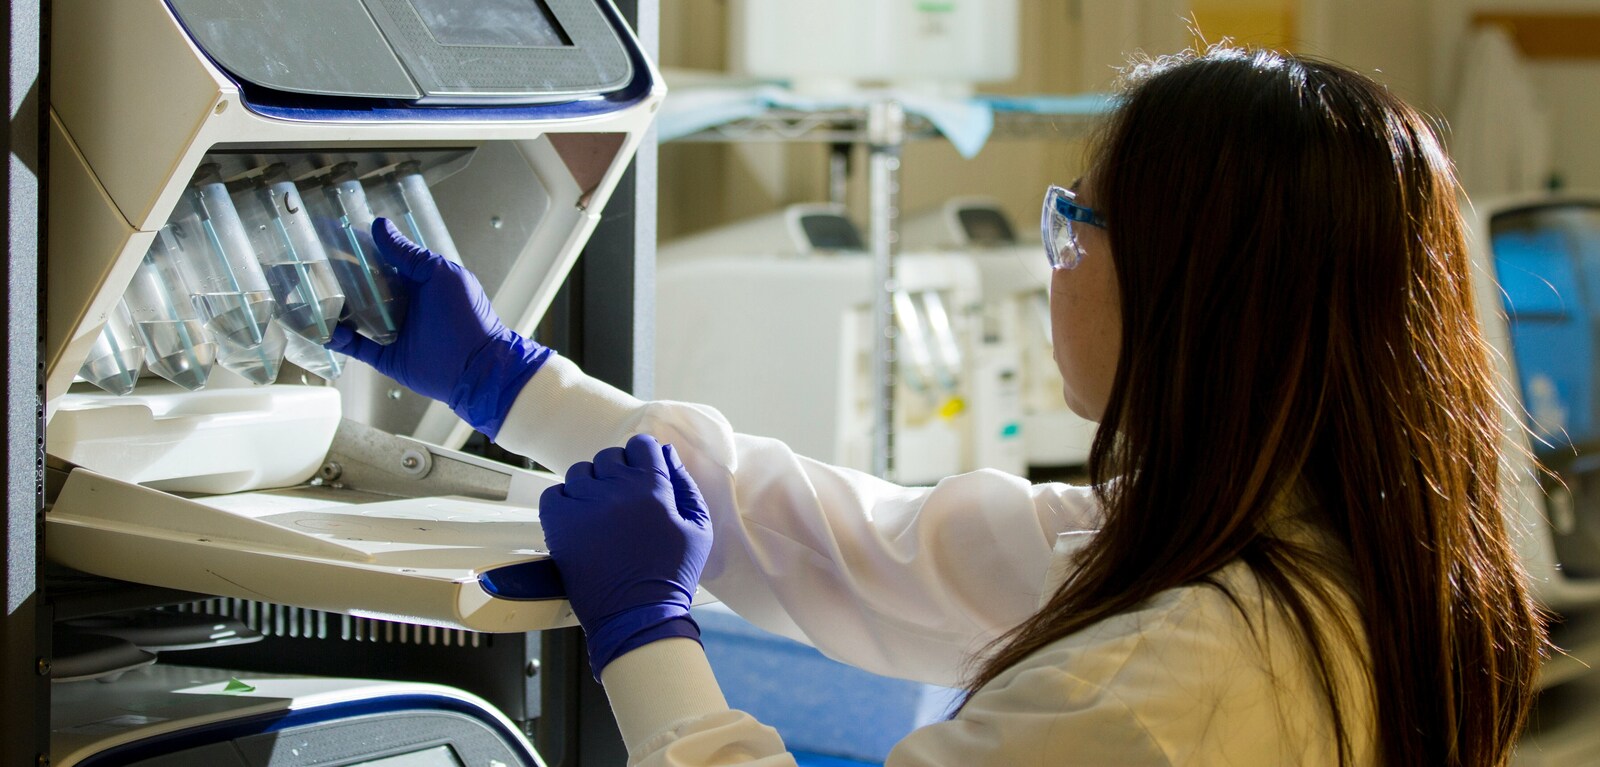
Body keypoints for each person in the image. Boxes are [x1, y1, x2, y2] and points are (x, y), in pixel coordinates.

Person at [330, 46, 1547, 766]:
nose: (1052, 257)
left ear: (1192, 291)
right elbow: (855, 541)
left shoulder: (1161, 685)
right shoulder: (1310, 555)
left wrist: (649, 636)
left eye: (1074, 221)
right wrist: (515, 384)